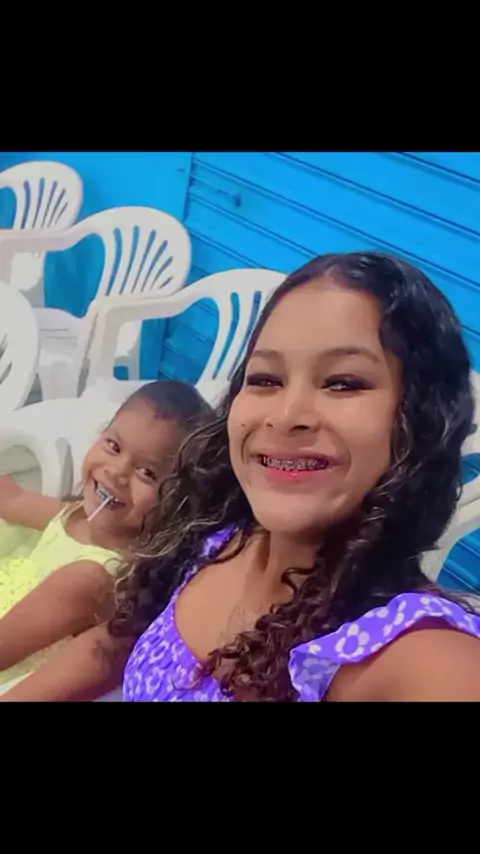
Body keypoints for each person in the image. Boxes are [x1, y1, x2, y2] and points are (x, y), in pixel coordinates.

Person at [3, 251, 480, 702]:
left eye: (343, 382)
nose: (285, 416)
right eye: (266, 379)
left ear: (418, 419)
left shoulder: (414, 652)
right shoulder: (215, 536)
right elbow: (116, 642)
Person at [0, 379, 210, 697]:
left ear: (177, 504)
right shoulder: (77, 517)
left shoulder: (90, 578)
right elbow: (13, 500)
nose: (117, 472)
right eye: (113, 446)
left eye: (147, 473)